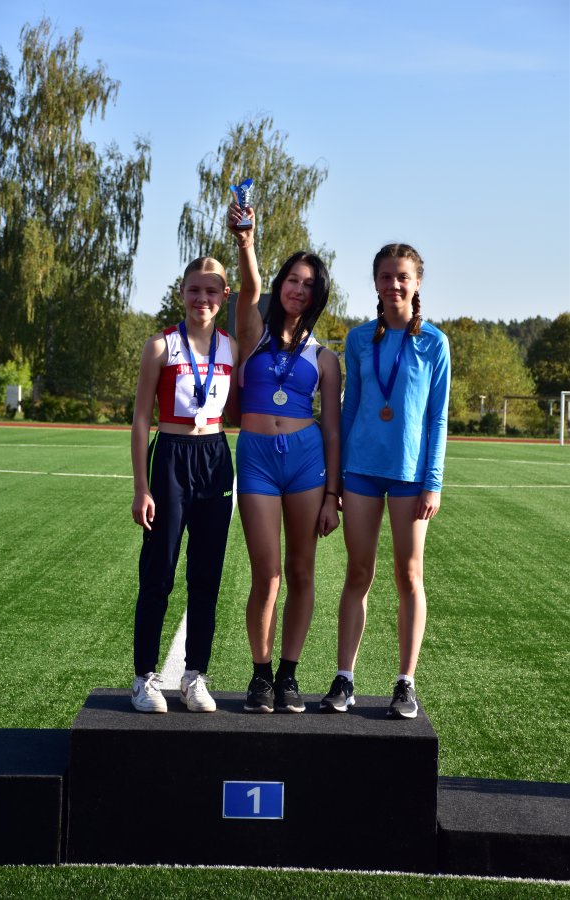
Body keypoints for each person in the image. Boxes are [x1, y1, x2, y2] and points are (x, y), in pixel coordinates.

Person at [320, 243, 450, 719]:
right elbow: (347, 410)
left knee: (409, 575)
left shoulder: (434, 342)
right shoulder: (358, 339)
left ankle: (405, 683)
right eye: (386, 276)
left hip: (411, 477)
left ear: (417, 283)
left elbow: (437, 418)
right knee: (358, 573)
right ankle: (344, 678)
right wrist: (336, 481)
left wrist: (433, 482)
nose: (394, 284)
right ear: (375, 283)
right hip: (361, 472)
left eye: (402, 277)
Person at [228, 201, 341, 713]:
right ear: (281, 284)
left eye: (309, 284)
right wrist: (246, 243)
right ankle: (260, 674)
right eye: (293, 279)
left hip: (306, 462)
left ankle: (289, 674)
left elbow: (333, 430)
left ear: (317, 296)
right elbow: (249, 288)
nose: (299, 289)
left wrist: (332, 495)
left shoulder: (325, 358)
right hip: (256, 459)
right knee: (266, 573)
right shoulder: (252, 332)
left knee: (301, 571)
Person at [130, 256, 239, 713]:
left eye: (212, 291)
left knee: (206, 577)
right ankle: (144, 678)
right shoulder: (161, 346)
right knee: (159, 573)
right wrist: (141, 487)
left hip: (215, 459)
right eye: (194, 289)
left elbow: (238, 411)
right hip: (171, 459)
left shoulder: (232, 348)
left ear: (224, 296)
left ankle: (195, 676)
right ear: (181, 292)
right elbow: (140, 419)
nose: (202, 299)